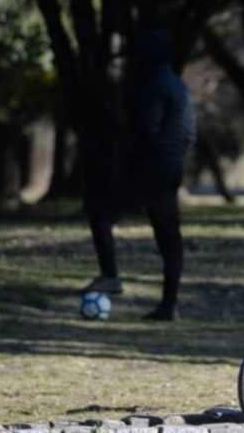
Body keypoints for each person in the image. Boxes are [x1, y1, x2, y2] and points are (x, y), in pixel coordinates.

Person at [81, 30, 196, 321]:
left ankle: (110, 276)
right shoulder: (181, 88)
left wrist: (128, 155)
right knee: (170, 239)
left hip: (148, 168)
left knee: (101, 212)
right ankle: (169, 306)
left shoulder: (153, 85)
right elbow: (189, 135)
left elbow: (148, 129)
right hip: (172, 169)